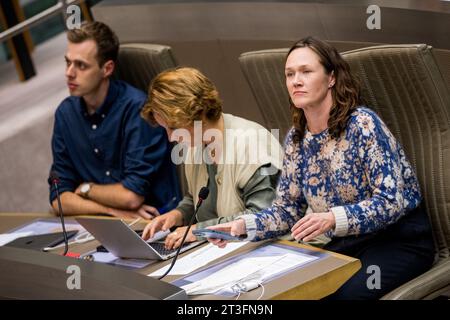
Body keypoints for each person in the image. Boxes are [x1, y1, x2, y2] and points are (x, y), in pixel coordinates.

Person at [207, 36, 435, 300]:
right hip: (347, 243)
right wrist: (242, 226)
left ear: (331, 78)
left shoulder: (362, 124)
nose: (296, 81)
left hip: (399, 240)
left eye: (306, 71)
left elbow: (389, 202)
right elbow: (288, 210)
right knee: (293, 294)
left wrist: (331, 218)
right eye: (289, 74)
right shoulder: (296, 137)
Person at [48, 21, 180, 219]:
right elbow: (59, 198)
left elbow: (131, 197)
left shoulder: (138, 110)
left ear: (107, 69)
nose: (69, 73)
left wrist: (85, 189)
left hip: (154, 221)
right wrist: (111, 211)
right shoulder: (65, 114)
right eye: (68, 62)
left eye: (81, 65)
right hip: (105, 222)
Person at [140, 67, 283, 249]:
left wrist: (197, 230)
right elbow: (197, 199)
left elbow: (263, 216)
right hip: (221, 249)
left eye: (174, 128)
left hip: (267, 250)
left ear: (198, 114)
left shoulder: (252, 144)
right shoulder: (195, 143)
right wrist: (178, 214)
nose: (170, 138)